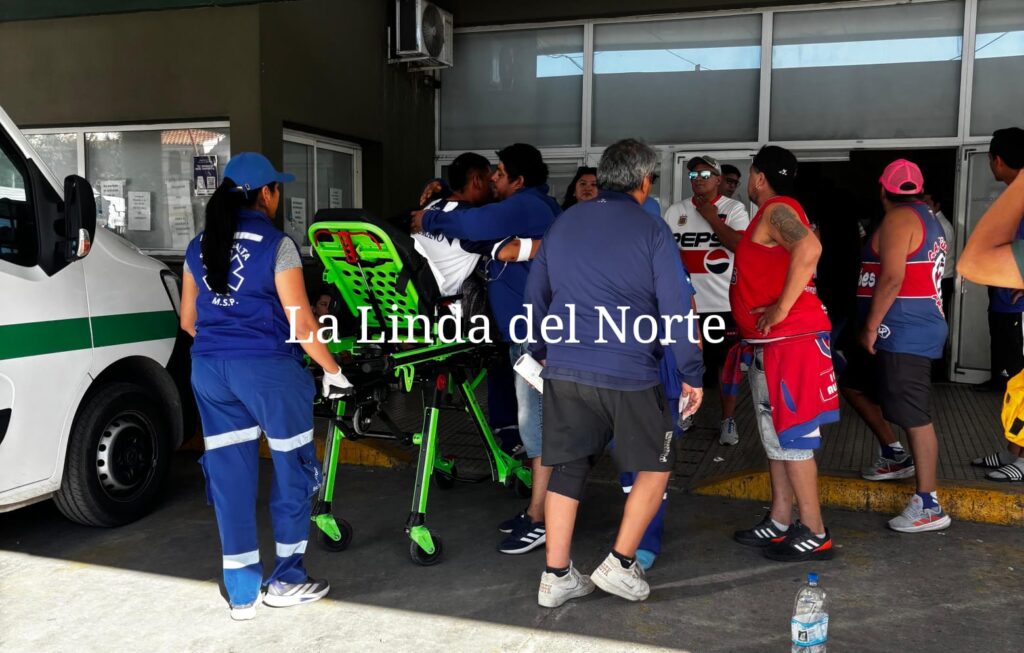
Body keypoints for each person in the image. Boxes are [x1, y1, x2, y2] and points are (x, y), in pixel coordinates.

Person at [526, 138, 704, 606]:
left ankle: (555, 575)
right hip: (629, 371)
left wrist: (541, 350)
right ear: (644, 181)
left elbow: (535, 295)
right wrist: (691, 372)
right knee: (657, 463)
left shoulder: (563, 223)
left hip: (565, 366)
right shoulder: (650, 228)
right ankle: (621, 563)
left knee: (567, 467)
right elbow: (676, 308)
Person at [179, 152, 354, 620]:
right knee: (292, 468)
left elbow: (188, 321)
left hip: (210, 371)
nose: (278, 196)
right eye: (277, 189)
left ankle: (242, 594)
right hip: (269, 372)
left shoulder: (198, 246)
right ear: (266, 194)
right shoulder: (277, 245)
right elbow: (302, 322)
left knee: (230, 476)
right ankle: (287, 580)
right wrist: (334, 371)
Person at [415, 143, 559, 555]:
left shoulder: (527, 205)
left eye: (500, 172)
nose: (493, 178)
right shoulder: (521, 207)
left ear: (519, 180)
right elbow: (474, 216)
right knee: (535, 428)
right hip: (523, 336)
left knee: (539, 428)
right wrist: (444, 189)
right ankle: (538, 511)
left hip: (537, 338)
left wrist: (428, 216)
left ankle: (542, 518)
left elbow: (474, 223)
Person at [729, 145, 838, 561]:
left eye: (750, 174)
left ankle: (814, 530)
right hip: (772, 344)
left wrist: (780, 309)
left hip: (790, 341)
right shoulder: (774, 213)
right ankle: (780, 519)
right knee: (777, 437)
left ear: (758, 177)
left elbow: (810, 250)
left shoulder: (776, 210)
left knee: (793, 438)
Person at [839, 159, 952, 531]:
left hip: (903, 330)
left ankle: (928, 504)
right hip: (901, 328)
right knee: (854, 384)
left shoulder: (900, 219)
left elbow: (891, 278)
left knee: (914, 414)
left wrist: (871, 326)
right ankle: (893, 453)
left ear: (882, 188)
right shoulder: (925, 217)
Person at [663, 155, 750, 445]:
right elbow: (664, 254)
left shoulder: (734, 209)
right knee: (684, 363)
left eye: (704, 174)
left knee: (727, 367)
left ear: (718, 179)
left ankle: (728, 420)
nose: (698, 179)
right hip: (685, 306)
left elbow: (740, 245)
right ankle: (686, 413)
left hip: (722, 305)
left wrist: (711, 216)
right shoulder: (676, 211)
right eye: (693, 175)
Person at [960, 127, 1024, 480]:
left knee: (1022, 384)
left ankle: (1022, 459)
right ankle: (1012, 451)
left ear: (997, 160)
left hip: (1018, 310)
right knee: (1015, 385)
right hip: (1007, 305)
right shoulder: (1014, 197)